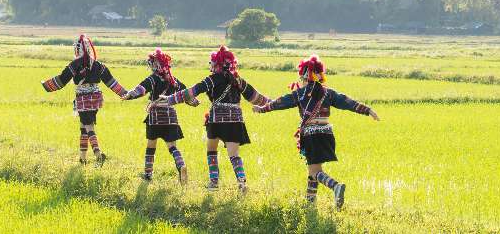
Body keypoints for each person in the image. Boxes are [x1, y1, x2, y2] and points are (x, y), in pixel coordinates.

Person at [253, 55, 380, 210]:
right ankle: (309, 203)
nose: (301, 80)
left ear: (306, 75)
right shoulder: (329, 93)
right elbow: (348, 102)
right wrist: (368, 110)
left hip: (312, 135)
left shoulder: (299, 94)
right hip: (327, 135)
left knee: (315, 172)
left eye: (302, 77)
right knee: (313, 169)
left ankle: (335, 186)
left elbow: (280, 102)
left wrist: (262, 109)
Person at [161, 46, 270, 193]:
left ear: (217, 64)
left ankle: (214, 183)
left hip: (216, 120)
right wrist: (274, 103)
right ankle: (242, 182)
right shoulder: (238, 80)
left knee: (211, 150)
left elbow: (193, 91)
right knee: (234, 155)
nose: (210, 66)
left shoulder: (212, 79)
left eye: (212, 63)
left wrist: (170, 99)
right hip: (235, 120)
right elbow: (257, 97)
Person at [41, 34, 128, 167]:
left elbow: (62, 80)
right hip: (96, 98)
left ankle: (98, 154)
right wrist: (125, 94)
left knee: (89, 126)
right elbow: (111, 82)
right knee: (84, 127)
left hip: (83, 98)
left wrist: (46, 85)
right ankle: (82, 158)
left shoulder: (75, 64)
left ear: (77, 49)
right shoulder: (98, 65)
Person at [122, 49, 199, 185]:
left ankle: (148, 173)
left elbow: (141, 89)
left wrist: (129, 95)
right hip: (171, 117)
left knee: (151, 145)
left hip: (155, 117)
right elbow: (187, 94)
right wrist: (194, 101)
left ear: (154, 65)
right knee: (172, 147)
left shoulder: (153, 78)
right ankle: (181, 166)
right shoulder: (174, 81)